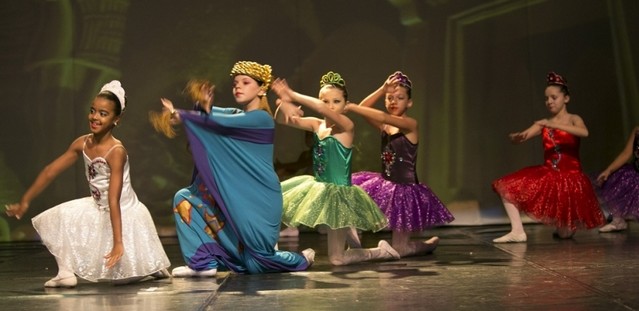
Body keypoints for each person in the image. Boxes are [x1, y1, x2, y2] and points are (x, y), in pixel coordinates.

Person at [151, 61, 313, 276]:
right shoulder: (236, 114)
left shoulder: (261, 119)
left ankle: (301, 258)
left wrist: (185, 115)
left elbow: (219, 123)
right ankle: (202, 263)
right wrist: (202, 109)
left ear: (261, 88)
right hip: (235, 195)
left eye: (246, 82)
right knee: (184, 198)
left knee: (258, 262)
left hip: (258, 198)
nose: (238, 87)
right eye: (235, 83)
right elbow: (217, 116)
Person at [5, 81, 171, 288]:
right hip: (98, 206)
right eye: (93, 111)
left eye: (103, 114)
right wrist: (25, 201)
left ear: (116, 119)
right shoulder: (81, 143)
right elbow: (50, 171)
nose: (95, 117)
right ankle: (65, 273)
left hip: (123, 212)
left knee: (122, 279)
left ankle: (151, 266)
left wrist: (119, 242)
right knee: (57, 217)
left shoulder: (116, 151)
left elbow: (114, 199)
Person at [271, 71, 400, 266]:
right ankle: (269, 250)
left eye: (336, 101)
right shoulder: (317, 125)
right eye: (325, 101)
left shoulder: (347, 126)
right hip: (320, 187)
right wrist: (283, 104)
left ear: (345, 105)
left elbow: (321, 108)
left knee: (337, 259)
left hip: (339, 194)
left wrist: (292, 94)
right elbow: (283, 120)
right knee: (276, 201)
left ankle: (381, 251)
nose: (330, 106)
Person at [345, 71, 454, 257]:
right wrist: (381, 90)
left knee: (400, 249)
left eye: (400, 98)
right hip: (385, 183)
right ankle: (354, 243)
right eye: (389, 98)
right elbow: (367, 108)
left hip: (404, 190)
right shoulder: (385, 127)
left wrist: (351, 107)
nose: (393, 101)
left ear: (409, 102)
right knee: (348, 192)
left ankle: (426, 246)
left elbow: (381, 116)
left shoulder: (410, 124)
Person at [492, 72, 605, 243]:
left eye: (554, 97)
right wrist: (516, 137)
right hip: (549, 174)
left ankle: (565, 230)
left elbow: (584, 132)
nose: (549, 101)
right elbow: (523, 136)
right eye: (547, 98)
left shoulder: (574, 119)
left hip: (571, 179)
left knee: (565, 234)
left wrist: (553, 124)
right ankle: (517, 231)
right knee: (506, 187)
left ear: (566, 99)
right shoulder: (543, 123)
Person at [595, 126, 639, 232]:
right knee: (620, 180)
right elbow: (626, 153)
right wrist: (608, 170)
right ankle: (618, 221)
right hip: (636, 172)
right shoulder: (637, 130)